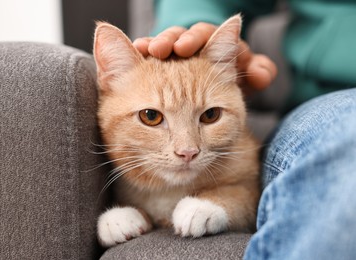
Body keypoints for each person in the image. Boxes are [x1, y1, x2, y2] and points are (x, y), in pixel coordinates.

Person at [133, 0, 356, 259]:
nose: (187, 148)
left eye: (209, 115)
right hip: (337, 102)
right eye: (151, 117)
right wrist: (189, 40)